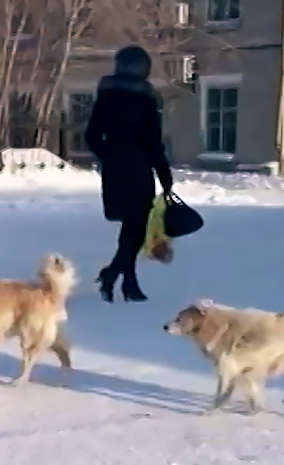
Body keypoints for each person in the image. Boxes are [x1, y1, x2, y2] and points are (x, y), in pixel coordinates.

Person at [84, 45, 173, 303]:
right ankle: (112, 275)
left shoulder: (106, 94)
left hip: (114, 170)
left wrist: (109, 156)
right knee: (136, 227)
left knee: (132, 228)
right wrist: (165, 176)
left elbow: (91, 135)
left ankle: (127, 282)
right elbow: (153, 142)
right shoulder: (145, 97)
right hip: (139, 168)